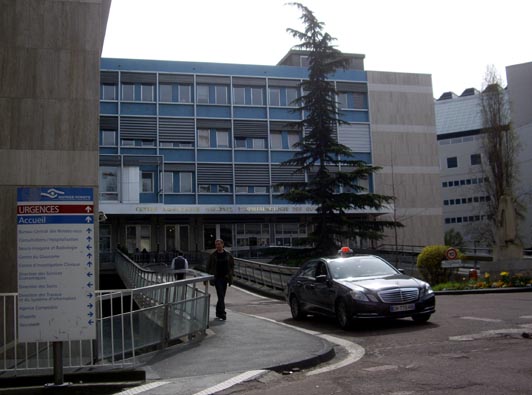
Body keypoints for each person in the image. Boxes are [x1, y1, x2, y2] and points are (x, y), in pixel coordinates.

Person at [207, 239, 234, 321]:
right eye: (216, 244)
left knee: (221, 296)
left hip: (225, 278)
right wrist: (208, 278)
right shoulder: (213, 255)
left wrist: (230, 275)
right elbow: (208, 267)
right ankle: (222, 313)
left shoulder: (228, 255)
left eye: (219, 244)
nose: (217, 246)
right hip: (217, 278)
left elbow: (232, 265)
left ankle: (218, 312)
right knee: (221, 295)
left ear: (222, 244)